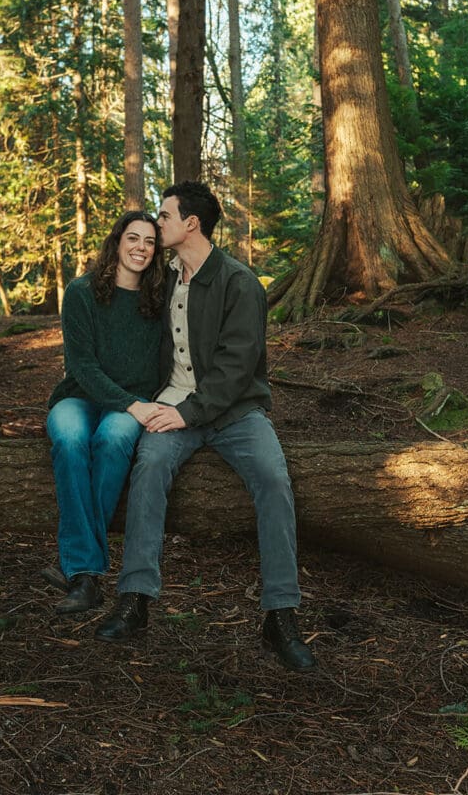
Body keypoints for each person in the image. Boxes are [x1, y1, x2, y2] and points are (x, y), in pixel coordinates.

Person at [95, 182, 316, 672]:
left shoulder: (240, 283)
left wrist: (188, 413)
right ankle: (134, 600)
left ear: (191, 223)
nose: (156, 226)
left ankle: (280, 615)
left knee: (275, 479)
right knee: (148, 466)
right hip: (172, 405)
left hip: (234, 411)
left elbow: (238, 369)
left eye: (165, 216)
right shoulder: (163, 277)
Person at [43, 211, 165, 615]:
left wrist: (136, 403)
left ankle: (80, 574)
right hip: (79, 395)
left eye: (150, 242)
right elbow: (82, 366)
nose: (141, 249)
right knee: (70, 437)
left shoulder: (159, 299)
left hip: (133, 401)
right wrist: (130, 403)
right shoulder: (81, 292)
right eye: (133, 238)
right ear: (116, 242)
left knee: (112, 440)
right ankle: (87, 571)